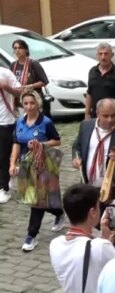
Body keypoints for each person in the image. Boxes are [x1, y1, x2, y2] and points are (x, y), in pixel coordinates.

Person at [10, 90, 64, 250]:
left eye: (32, 103)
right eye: (25, 103)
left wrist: (41, 144)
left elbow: (57, 141)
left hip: (43, 165)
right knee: (33, 198)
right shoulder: (19, 122)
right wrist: (12, 163)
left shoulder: (45, 122)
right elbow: (16, 144)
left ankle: (31, 236)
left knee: (37, 200)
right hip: (26, 165)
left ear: (38, 103)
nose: (29, 106)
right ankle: (58, 212)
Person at [72, 99, 115, 188]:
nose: (110, 120)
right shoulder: (85, 126)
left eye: (113, 115)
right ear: (97, 113)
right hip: (87, 186)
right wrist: (75, 158)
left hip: (114, 188)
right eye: (105, 116)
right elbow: (77, 146)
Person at [85, 43, 115, 126]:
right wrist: (86, 114)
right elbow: (89, 94)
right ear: (97, 55)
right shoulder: (92, 72)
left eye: (106, 54)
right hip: (96, 119)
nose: (103, 57)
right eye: (100, 54)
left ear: (112, 55)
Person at [10, 39, 50, 116]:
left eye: (20, 48)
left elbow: (44, 81)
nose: (17, 50)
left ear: (26, 50)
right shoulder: (13, 65)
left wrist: (31, 86)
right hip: (19, 102)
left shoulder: (33, 64)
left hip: (33, 100)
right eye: (15, 48)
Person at [0, 67, 21, 204]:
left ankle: (3, 188)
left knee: (3, 156)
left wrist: (5, 86)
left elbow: (20, 91)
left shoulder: (5, 72)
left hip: (5, 121)